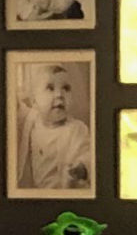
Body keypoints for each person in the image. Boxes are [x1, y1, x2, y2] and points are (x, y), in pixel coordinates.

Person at [13, 55, 93, 195]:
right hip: (38, 192)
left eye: (66, 88)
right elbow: (14, 107)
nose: (59, 95)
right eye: (50, 88)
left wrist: (82, 167)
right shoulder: (32, 120)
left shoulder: (76, 128)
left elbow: (88, 153)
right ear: (34, 101)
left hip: (66, 191)